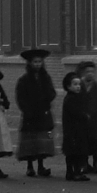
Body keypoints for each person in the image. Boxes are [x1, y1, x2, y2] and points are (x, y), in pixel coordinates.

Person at [14, 47, 57, 178]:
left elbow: (52, 92)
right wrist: (27, 110)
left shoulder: (46, 78)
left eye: (39, 62)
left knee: (41, 141)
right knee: (30, 141)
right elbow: (20, 97)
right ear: (30, 63)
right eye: (35, 62)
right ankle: (30, 166)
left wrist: (46, 101)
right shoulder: (24, 80)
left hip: (43, 113)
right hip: (30, 114)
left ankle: (41, 165)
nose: (37, 64)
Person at [60, 71, 91, 181]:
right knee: (74, 152)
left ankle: (73, 172)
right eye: (75, 84)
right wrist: (85, 116)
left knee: (75, 152)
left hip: (76, 130)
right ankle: (74, 172)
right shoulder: (70, 99)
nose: (78, 87)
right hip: (73, 130)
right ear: (68, 86)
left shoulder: (76, 97)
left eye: (79, 84)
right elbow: (76, 113)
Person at [80, 62, 97, 174]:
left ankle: (96, 163)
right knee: (84, 141)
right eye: (87, 72)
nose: (90, 74)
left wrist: (96, 111)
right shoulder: (79, 85)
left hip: (95, 119)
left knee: (95, 141)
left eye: (92, 72)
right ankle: (85, 163)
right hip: (83, 118)